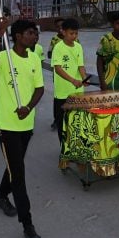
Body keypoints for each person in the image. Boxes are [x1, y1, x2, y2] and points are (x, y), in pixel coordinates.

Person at [0, 18, 45, 238]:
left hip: (26, 124)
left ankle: (1, 195)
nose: (35, 37)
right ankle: (28, 225)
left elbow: (39, 88)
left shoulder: (34, 59)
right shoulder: (4, 57)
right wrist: (0, 32)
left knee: (14, 164)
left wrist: (28, 107)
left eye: (35, 33)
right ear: (18, 36)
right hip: (7, 125)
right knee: (18, 174)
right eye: (31, 33)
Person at [51, 18, 89, 148]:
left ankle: (75, 149)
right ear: (63, 32)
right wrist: (73, 80)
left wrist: (84, 78)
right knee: (63, 125)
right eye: (71, 33)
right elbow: (58, 68)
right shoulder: (58, 47)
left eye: (76, 33)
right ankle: (64, 151)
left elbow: (81, 66)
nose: (74, 36)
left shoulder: (78, 46)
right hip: (62, 93)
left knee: (77, 123)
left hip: (77, 92)